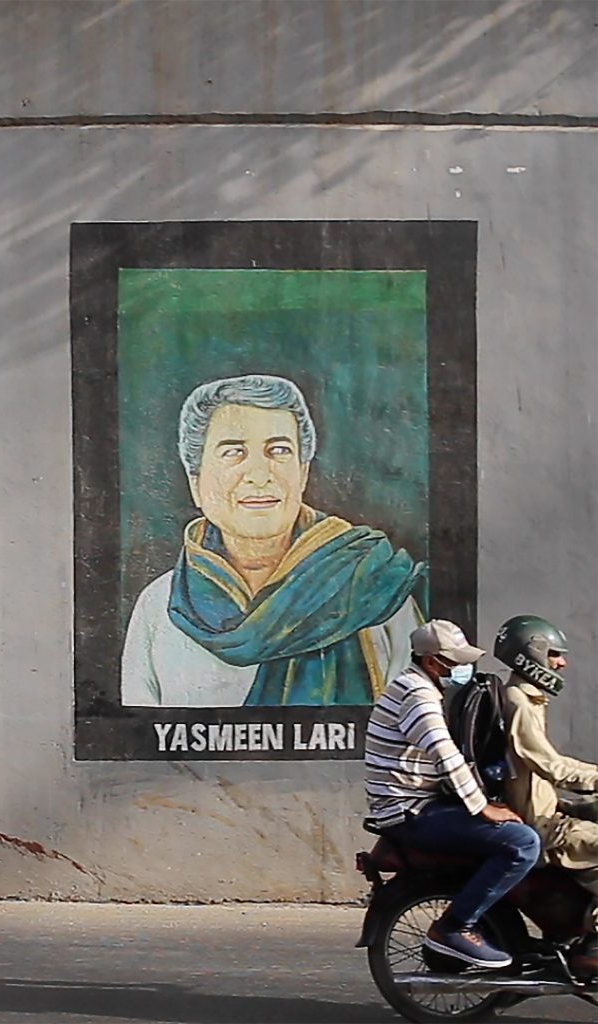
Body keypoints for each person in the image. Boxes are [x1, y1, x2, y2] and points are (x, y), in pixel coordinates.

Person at [121, 374, 425, 707]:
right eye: (233, 452)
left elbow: (410, 729)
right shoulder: (159, 607)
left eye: (278, 450)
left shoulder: (372, 587)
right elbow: (142, 747)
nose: (259, 474)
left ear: (303, 473)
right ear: (195, 480)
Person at [365, 618, 541, 968]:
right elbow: (444, 753)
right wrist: (481, 808)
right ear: (432, 662)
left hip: (419, 802)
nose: (463, 669)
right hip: (410, 812)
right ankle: (455, 926)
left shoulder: (420, 688)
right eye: (457, 662)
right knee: (523, 843)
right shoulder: (416, 694)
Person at [494, 615, 598, 977]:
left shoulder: (529, 699)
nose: (561, 662)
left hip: (549, 812)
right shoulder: (518, 703)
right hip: (542, 825)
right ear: (530, 654)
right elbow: (550, 765)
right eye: (554, 654)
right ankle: (593, 945)